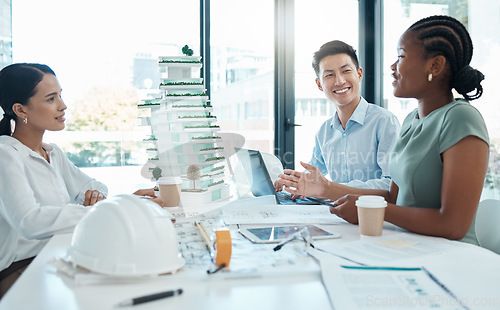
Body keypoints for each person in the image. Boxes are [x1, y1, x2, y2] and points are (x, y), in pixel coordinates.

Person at [275, 15, 489, 244]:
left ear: (435, 65)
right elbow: (393, 197)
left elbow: (453, 225)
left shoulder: (461, 117)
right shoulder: (411, 120)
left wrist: (368, 209)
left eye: (401, 56)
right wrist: (325, 189)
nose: (393, 66)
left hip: (452, 256)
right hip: (406, 243)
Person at [0, 63, 162, 297]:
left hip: (57, 258)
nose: (63, 105)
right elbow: (29, 221)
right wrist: (113, 208)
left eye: (60, 95)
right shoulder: (6, 155)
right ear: (21, 110)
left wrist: (101, 200)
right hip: (23, 273)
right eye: (51, 99)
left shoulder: (52, 152)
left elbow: (93, 186)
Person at [275, 40, 400, 200]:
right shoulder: (325, 131)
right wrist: (290, 182)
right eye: (329, 75)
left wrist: (329, 189)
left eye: (346, 71)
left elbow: (391, 185)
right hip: (336, 215)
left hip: (373, 216)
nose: (339, 81)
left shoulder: (385, 122)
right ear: (319, 84)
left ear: (359, 74)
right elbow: (313, 173)